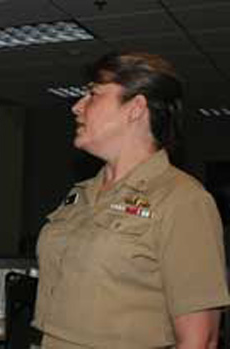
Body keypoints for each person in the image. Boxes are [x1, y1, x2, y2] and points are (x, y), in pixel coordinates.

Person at [33, 52, 230, 348]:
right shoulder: (81, 193)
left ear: (135, 108)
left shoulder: (183, 200)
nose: (77, 106)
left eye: (93, 94)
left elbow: (200, 340)